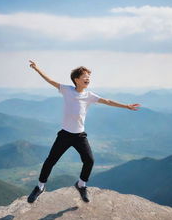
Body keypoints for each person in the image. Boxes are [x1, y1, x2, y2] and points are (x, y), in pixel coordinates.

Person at [27, 60, 140, 203]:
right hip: (65, 135)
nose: (88, 78)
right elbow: (49, 80)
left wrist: (127, 106)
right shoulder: (66, 90)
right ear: (76, 80)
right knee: (50, 161)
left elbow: (108, 101)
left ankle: (81, 185)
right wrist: (37, 68)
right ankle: (40, 187)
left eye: (88, 76)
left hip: (79, 136)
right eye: (84, 76)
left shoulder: (89, 95)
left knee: (89, 160)